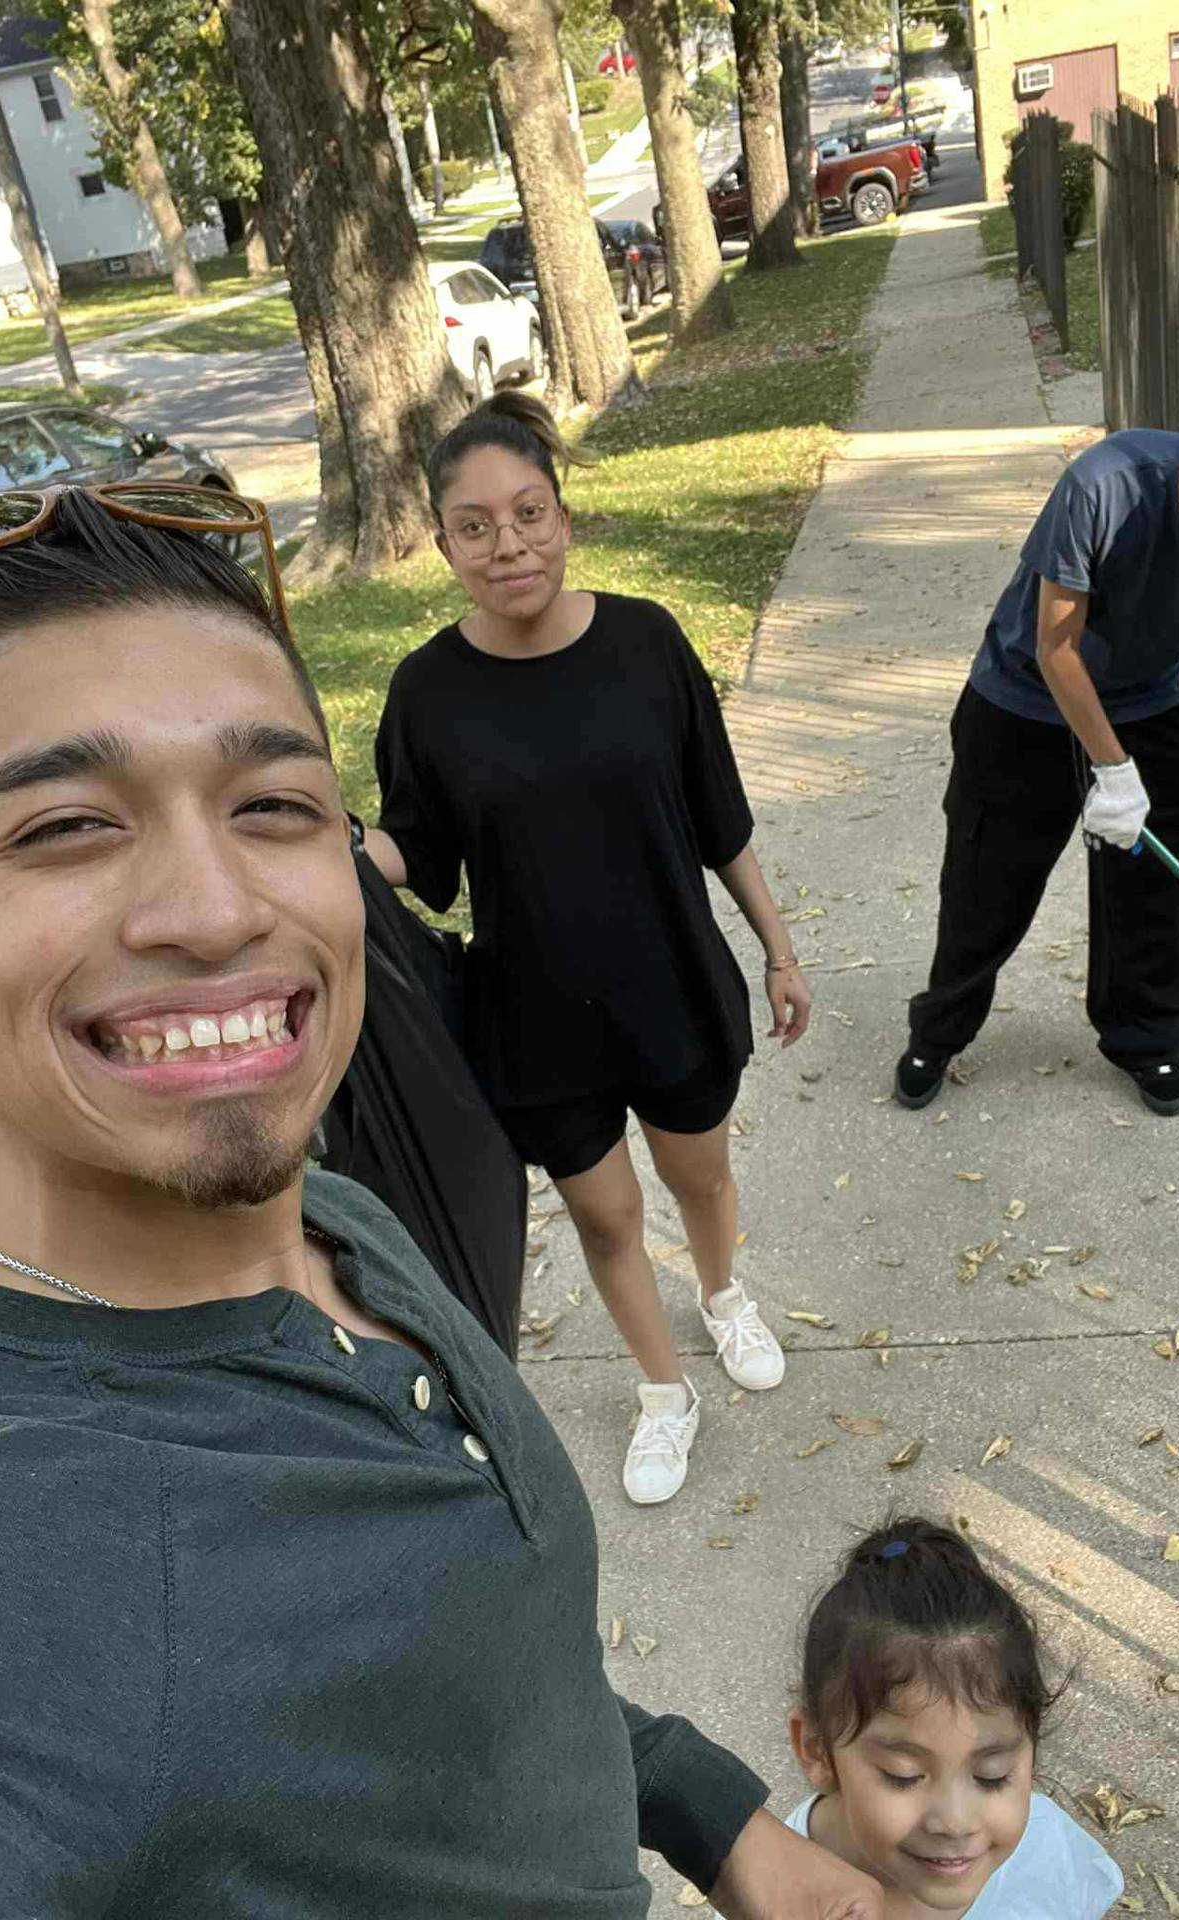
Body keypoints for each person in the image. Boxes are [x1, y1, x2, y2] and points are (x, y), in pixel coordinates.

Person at [0, 485, 880, 1920]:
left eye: (272, 807)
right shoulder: (17, 1588)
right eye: (65, 826)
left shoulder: (334, 1224)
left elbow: (475, 1672)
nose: (213, 908)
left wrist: (726, 1825)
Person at [366, 392, 812, 1505]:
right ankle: (665, 1394)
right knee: (606, 1215)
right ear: (443, 546)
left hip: (669, 983)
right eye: (476, 526)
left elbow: (720, 816)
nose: (507, 543)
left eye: (528, 513)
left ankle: (721, 1295)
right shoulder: (426, 693)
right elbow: (419, 855)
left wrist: (780, 949)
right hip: (538, 1011)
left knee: (698, 1176)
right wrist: (309, 837)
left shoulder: (647, 642)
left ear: (565, 518)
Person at [896, 400, 1179, 1119]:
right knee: (985, 888)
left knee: (1151, 894)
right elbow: (1057, 649)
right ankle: (940, 1032)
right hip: (1022, 699)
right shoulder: (1105, 486)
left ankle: (1147, 1038)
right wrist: (1112, 771)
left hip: (1145, 703)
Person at [723, 1518, 1123, 1918]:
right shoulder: (772, 1902)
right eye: (904, 1775)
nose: (955, 1822)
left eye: (993, 1775)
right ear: (816, 1750)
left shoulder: (1044, 1849)